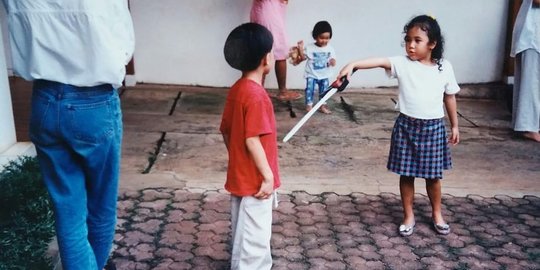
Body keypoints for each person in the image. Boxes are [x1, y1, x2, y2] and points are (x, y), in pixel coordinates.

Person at [2, 1, 134, 269]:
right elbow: (122, 42)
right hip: (94, 100)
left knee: (68, 213)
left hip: (45, 99)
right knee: (101, 209)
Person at [335, 15, 460, 236]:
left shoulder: (444, 67)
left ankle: (437, 214)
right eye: (408, 39)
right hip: (406, 127)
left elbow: (449, 97)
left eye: (417, 40)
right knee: (406, 174)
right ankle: (408, 215)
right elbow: (378, 61)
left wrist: (455, 126)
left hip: (433, 128)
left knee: (433, 176)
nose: (410, 45)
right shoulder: (402, 64)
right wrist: (352, 65)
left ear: (432, 44)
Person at [221, 23, 281, 269]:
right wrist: (267, 176)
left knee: (244, 234)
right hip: (256, 183)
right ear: (266, 58)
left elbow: (226, 130)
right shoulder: (256, 96)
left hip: (242, 176)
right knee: (254, 242)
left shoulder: (237, 90)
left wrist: (238, 158)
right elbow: (251, 139)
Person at [251, 0, 302, 101]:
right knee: (277, 49)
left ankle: (259, 90)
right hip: (268, 12)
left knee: (265, 49)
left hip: (268, 10)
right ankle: (280, 91)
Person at [510, 0, 540, 142]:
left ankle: (528, 125)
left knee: (533, 81)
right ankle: (528, 127)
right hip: (533, 32)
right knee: (531, 81)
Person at [294, 20, 336, 113]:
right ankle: (309, 105)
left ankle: (323, 105)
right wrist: (300, 48)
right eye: (321, 38)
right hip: (312, 74)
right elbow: (303, 57)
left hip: (324, 75)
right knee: (309, 90)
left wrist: (332, 62)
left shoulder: (330, 48)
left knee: (324, 91)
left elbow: (333, 60)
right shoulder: (310, 47)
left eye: (327, 38)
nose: (324, 40)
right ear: (315, 36)